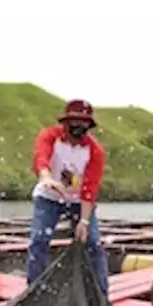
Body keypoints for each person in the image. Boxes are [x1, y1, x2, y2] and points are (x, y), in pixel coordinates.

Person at [28, 99, 109, 294]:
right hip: (48, 196)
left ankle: (100, 294)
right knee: (39, 240)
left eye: (83, 124)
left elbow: (90, 186)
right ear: (65, 123)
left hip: (77, 201)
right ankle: (35, 291)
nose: (78, 128)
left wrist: (83, 220)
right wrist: (47, 178)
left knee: (92, 243)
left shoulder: (95, 151)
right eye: (74, 123)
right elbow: (41, 157)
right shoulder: (50, 136)